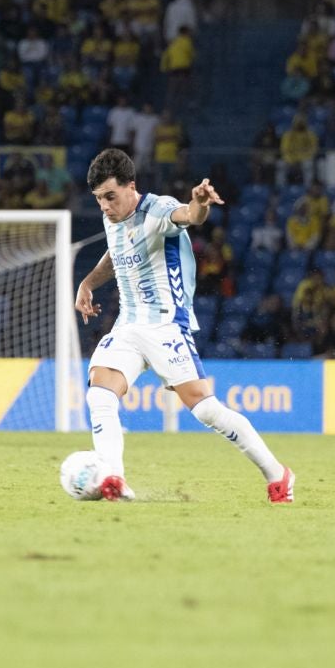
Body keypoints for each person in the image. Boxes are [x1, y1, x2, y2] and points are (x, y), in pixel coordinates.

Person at [73, 148, 294, 503]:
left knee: (207, 410)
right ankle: (113, 477)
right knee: (99, 393)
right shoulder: (112, 217)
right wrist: (87, 283)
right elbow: (115, 253)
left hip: (166, 328)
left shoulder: (158, 210)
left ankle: (278, 474)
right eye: (99, 199)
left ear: (132, 186)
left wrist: (199, 202)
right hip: (128, 327)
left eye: (110, 197)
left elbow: (189, 215)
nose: (104, 206)